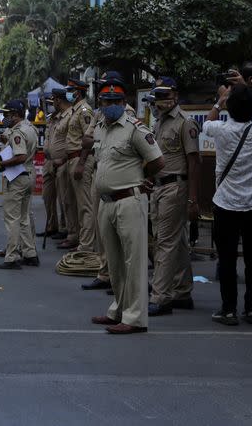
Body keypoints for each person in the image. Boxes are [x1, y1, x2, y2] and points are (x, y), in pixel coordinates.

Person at [90, 79, 164, 334]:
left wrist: (144, 179)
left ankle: (134, 318)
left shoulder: (136, 129)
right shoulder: (100, 129)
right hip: (107, 203)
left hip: (129, 200)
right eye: (106, 102)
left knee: (134, 261)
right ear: (100, 104)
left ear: (124, 104)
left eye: (116, 102)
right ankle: (119, 310)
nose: (111, 106)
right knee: (114, 262)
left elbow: (157, 161)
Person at [204, 74, 252, 326]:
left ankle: (228, 310)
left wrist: (219, 101)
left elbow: (207, 123)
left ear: (229, 107)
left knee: (226, 260)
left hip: (225, 205)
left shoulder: (220, 130)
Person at [148, 77, 200, 317]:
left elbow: (194, 162)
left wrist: (192, 199)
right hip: (158, 187)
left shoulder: (185, 123)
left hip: (175, 187)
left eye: (167, 95)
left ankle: (161, 296)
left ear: (176, 96)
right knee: (176, 241)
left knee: (165, 243)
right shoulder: (158, 123)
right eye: (158, 96)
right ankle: (182, 290)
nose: (162, 100)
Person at [80, 72, 136, 292]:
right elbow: (86, 139)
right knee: (102, 230)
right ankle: (106, 273)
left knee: (120, 234)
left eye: (114, 99)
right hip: (100, 173)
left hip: (122, 183)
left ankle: (119, 277)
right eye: (105, 97)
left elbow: (152, 159)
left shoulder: (127, 115)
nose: (108, 102)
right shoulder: (100, 114)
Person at [0, 100, 39, 269]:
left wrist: (0, 164)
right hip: (28, 174)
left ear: (15, 114)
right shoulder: (30, 128)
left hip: (17, 177)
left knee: (12, 218)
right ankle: (30, 253)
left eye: (7, 115)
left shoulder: (18, 132)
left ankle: (11, 256)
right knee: (24, 217)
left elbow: (19, 156)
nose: (5, 118)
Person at [65, 79, 95, 253]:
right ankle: (82, 240)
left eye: (71, 90)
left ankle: (86, 245)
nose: (69, 93)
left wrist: (82, 163)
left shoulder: (85, 110)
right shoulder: (75, 110)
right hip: (73, 159)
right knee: (78, 204)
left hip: (80, 159)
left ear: (78, 92)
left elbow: (89, 139)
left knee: (85, 205)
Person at [49, 88, 77, 249]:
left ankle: (72, 234)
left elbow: (72, 141)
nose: (53, 103)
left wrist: (63, 159)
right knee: (64, 200)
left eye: (53, 100)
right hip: (58, 163)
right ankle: (69, 231)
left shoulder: (71, 116)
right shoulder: (59, 117)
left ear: (58, 100)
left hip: (66, 162)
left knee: (69, 201)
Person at [39, 94, 65, 239]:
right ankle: (51, 225)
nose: (51, 105)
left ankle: (64, 227)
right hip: (48, 161)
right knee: (47, 195)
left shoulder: (65, 118)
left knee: (63, 197)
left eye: (52, 102)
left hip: (60, 161)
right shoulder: (50, 119)